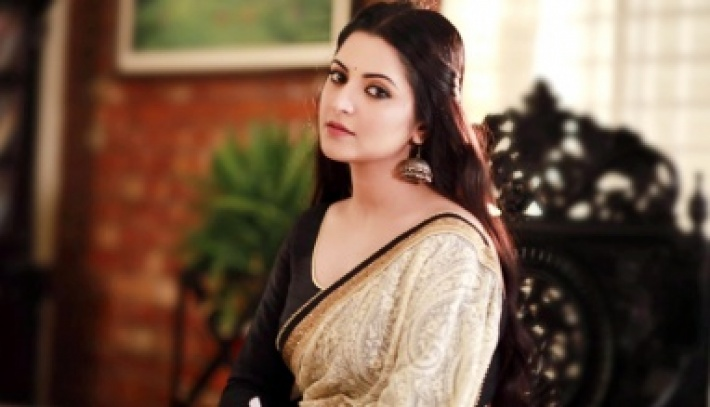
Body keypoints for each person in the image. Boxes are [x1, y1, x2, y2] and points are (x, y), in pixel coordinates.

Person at [219, 2, 531, 406]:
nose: (341, 102)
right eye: (338, 77)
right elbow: (249, 383)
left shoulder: (452, 252)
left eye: (377, 91)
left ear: (422, 125)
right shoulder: (312, 229)